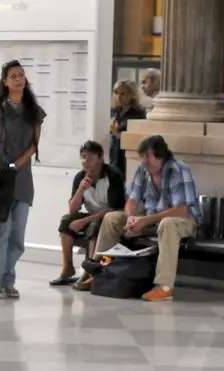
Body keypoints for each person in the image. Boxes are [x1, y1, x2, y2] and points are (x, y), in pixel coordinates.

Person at [91, 135, 201, 301]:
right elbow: (132, 200)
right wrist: (130, 218)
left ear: (160, 155)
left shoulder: (178, 170)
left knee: (167, 224)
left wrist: (145, 221)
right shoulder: (143, 170)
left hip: (183, 221)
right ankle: (100, 270)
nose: (143, 161)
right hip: (152, 218)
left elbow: (181, 210)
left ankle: (164, 286)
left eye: (147, 156)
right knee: (112, 218)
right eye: (141, 156)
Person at [0, 59, 46, 299]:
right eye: (13, 76)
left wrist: (19, 162)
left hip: (22, 178)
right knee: (2, 231)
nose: (18, 79)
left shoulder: (33, 110)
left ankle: (9, 279)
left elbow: (34, 144)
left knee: (17, 236)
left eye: (21, 75)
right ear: (5, 81)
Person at [48, 141, 125, 289]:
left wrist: (84, 221)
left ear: (100, 158)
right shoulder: (80, 177)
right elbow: (72, 210)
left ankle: (90, 272)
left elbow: (113, 209)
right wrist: (80, 190)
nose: (85, 162)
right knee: (66, 220)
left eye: (89, 157)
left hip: (111, 218)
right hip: (92, 215)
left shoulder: (113, 175)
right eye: (83, 157)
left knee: (95, 225)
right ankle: (67, 269)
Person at [109, 79, 147, 175]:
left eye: (123, 93)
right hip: (114, 153)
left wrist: (118, 134)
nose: (118, 97)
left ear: (132, 95)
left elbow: (139, 138)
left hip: (129, 156)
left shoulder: (138, 113)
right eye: (116, 93)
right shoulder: (115, 111)